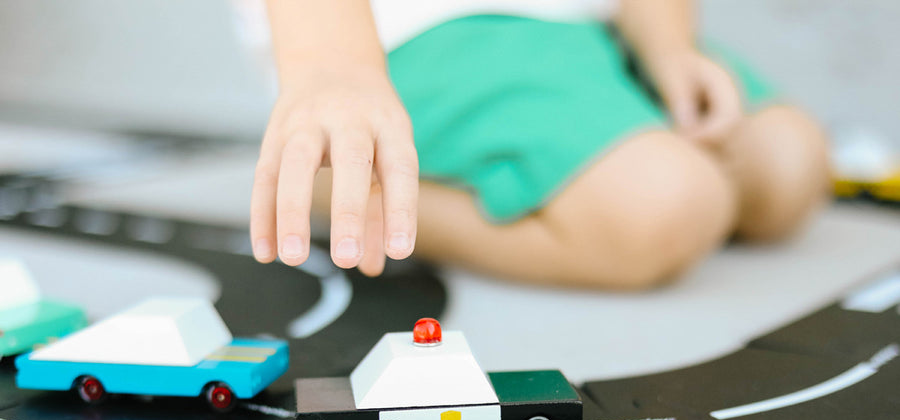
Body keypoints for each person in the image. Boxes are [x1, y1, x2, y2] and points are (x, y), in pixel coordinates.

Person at [249, 0, 829, 288]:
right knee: (665, 207)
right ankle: (348, 180)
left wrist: (669, 43)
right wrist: (335, 67)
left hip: (588, 22)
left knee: (789, 167)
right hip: (417, 31)